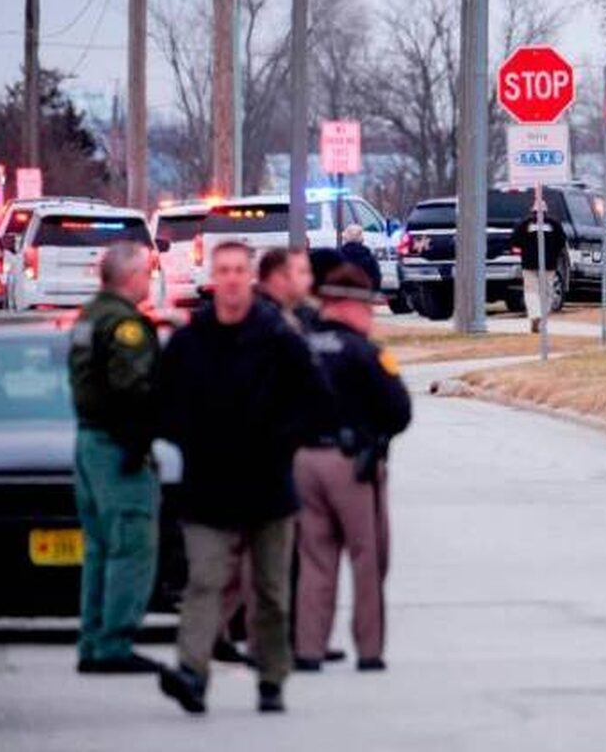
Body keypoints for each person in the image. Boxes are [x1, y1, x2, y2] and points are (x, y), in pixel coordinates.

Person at [156, 241, 331, 715]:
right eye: (224, 271)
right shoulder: (193, 339)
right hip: (208, 484)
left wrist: (283, 439)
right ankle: (192, 672)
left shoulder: (276, 335)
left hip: (267, 484)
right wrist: (188, 437)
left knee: (271, 592)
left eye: (239, 270)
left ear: (250, 277)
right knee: (204, 582)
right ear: (214, 277)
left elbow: (315, 397)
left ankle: (271, 678)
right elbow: (162, 400)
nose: (232, 279)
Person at [293, 264, 411, 672]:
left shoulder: (301, 347)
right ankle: (370, 649)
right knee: (369, 557)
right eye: (368, 307)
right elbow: (399, 410)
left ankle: (308, 648)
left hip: (303, 461)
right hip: (353, 464)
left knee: (314, 559)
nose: (372, 315)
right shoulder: (367, 352)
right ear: (348, 305)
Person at [67, 243, 163, 675]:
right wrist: (141, 441)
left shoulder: (89, 317)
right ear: (128, 277)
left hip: (88, 441)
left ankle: (92, 638)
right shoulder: (125, 326)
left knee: (99, 547)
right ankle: (114, 642)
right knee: (131, 543)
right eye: (144, 272)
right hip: (116, 446)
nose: (148, 279)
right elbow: (135, 391)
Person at [509, 204, 565, 333]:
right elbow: (561, 243)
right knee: (547, 292)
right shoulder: (554, 224)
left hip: (529, 264)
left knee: (530, 291)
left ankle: (535, 315)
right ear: (546, 211)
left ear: (532, 211)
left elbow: (515, 242)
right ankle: (542, 318)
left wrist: (524, 249)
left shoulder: (524, 224)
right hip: (549, 264)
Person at [339, 223, 382, 294]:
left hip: (343, 298)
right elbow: (377, 280)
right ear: (362, 239)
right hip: (365, 297)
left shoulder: (338, 257)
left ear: (345, 239)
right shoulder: (370, 258)